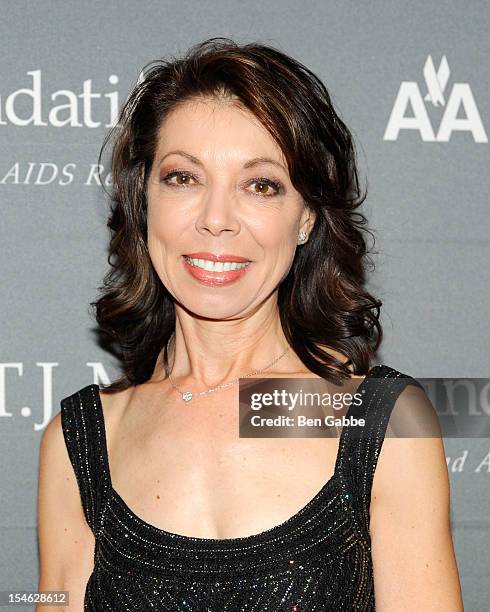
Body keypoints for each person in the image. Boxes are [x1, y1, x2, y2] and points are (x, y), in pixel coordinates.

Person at [36, 37, 464, 611]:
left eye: (260, 185)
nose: (216, 220)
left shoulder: (377, 424)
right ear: (144, 203)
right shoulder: (81, 440)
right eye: (183, 178)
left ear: (307, 216)